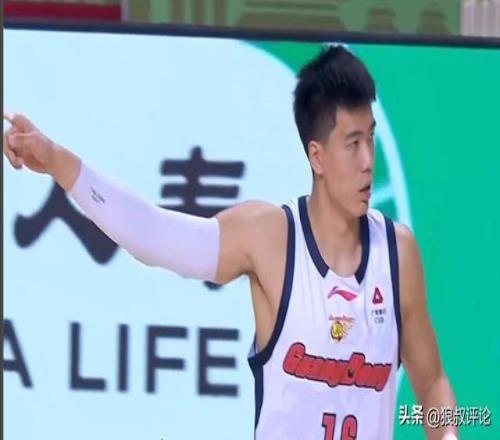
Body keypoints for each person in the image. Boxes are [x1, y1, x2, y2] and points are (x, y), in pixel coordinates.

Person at [3, 45, 457, 440]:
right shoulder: (269, 237)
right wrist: (57, 161)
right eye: (352, 144)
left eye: (371, 139)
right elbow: (151, 234)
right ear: (317, 156)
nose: (367, 161)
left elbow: (432, 382)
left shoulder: (397, 253)